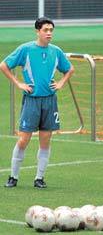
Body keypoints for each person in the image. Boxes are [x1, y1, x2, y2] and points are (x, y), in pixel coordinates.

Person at [0, 17, 74, 188]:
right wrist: (18, 83)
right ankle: (13, 176)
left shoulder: (56, 51)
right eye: (45, 30)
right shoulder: (25, 49)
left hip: (50, 101)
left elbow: (69, 69)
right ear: (37, 31)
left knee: (45, 139)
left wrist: (61, 83)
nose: (49, 33)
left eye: (51, 30)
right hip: (32, 101)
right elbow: (4, 65)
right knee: (24, 139)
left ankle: (39, 178)